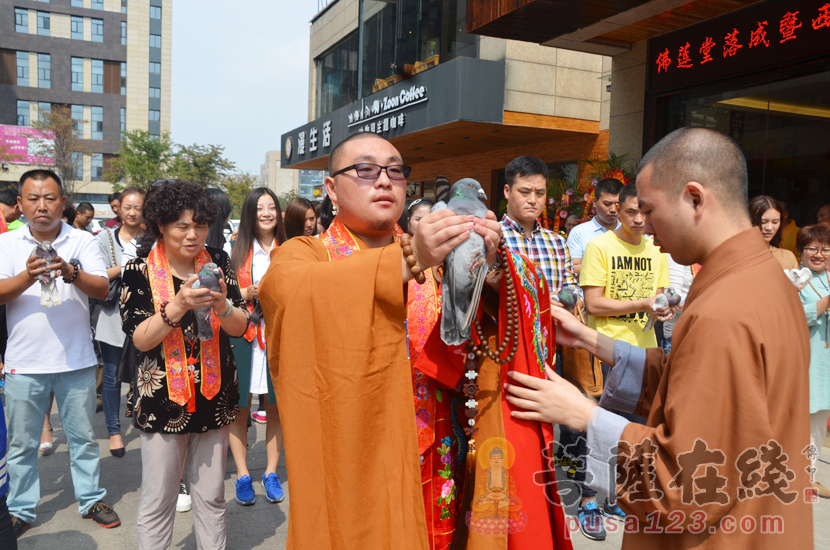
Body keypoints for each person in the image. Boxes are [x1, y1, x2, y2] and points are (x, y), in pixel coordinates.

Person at [259, 133, 572, 550]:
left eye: (395, 170)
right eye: (366, 170)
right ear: (331, 188)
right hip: (359, 459)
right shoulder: (306, 253)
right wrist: (408, 262)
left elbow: (492, 334)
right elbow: (288, 290)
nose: (384, 180)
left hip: (439, 453)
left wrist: (490, 269)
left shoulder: (432, 254)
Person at [505, 127, 812, 548]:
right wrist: (592, 341)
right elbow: (693, 380)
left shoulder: (724, 310)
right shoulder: (762, 277)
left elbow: (683, 479)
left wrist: (584, 416)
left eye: (649, 210)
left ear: (695, 198)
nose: (643, 227)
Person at [121, 180, 248, 549]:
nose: (193, 235)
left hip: (215, 394)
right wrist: (178, 305)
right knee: (159, 500)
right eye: (182, 226)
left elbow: (239, 328)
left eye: (201, 225)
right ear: (160, 224)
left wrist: (222, 305)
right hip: (162, 402)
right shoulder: (138, 269)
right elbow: (141, 339)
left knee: (211, 497)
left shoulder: (219, 262)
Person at [0, 169, 120, 538]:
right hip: (24, 362)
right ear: (20, 204)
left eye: (49, 198)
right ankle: (21, 508)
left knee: (83, 438)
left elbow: (101, 288)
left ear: (62, 202)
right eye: (33, 199)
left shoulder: (82, 240)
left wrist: (71, 272)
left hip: (76, 360)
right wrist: (26, 276)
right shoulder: (7, 244)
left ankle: (90, 498)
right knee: (23, 444)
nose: (41, 206)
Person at [572, 180, 670, 540]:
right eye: (631, 211)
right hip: (605, 353)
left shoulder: (657, 251)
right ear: (618, 211)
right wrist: (642, 304)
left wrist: (661, 310)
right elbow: (594, 304)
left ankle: (616, 495)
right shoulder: (600, 247)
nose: (639, 219)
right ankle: (588, 502)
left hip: (644, 353)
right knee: (597, 429)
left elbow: (656, 300)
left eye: (645, 211)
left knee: (634, 431)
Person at [225, 188, 287, 506]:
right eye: (259, 208)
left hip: (279, 337)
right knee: (240, 408)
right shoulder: (234, 252)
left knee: (276, 408)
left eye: (271, 207)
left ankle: (272, 473)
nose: (266, 213)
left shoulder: (289, 250)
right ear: (250, 213)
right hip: (243, 337)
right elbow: (223, 296)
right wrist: (245, 293)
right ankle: (243, 475)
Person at [95, 187, 146, 459]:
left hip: (144, 318)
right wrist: (128, 265)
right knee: (113, 378)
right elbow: (97, 275)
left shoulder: (152, 238)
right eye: (127, 206)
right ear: (118, 208)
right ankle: (114, 431)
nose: (132, 212)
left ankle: (143, 422)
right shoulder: (105, 238)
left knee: (143, 376)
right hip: (112, 318)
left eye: (138, 207)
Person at [500, 155, 578, 298]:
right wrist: (543, 302)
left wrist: (570, 301)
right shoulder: (493, 236)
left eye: (540, 193)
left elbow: (573, 291)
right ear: (507, 191)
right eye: (524, 192)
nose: (532, 200)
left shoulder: (557, 242)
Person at [796, 224, 830, 499]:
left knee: (818, 424)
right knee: (798, 421)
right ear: (801, 251)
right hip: (803, 359)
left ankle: (810, 474)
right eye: (813, 248)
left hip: (825, 362)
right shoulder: (794, 278)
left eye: (825, 249)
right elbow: (792, 314)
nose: (819, 254)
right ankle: (795, 475)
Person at [566, 178, 623, 275]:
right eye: (607, 204)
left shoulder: (628, 231)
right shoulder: (579, 232)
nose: (613, 209)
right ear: (595, 202)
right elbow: (573, 268)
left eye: (618, 204)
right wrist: (610, 267)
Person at [748, 195, 798, 270]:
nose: (769, 228)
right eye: (763, 222)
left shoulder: (787, 257)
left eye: (775, 222)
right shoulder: (735, 256)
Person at [661, 254, 693, 355]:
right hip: (680, 339)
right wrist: (713, 302)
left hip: (710, 333)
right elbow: (670, 298)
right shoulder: (678, 251)